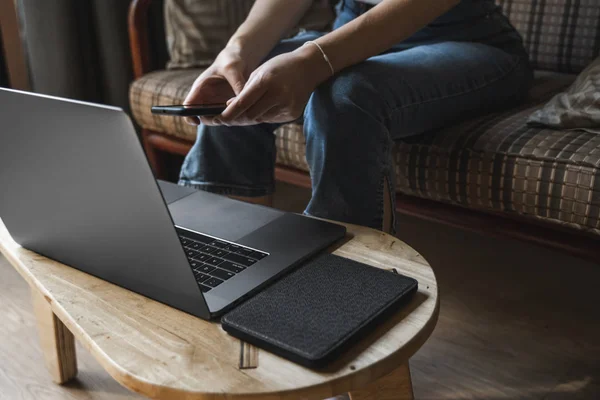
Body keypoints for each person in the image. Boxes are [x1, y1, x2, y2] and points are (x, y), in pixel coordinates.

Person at [179, 0, 532, 233]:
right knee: (240, 86)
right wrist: (236, 54)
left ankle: (341, 285)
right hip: (349, 29)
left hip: (467, 42)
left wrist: (314, 61)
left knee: (346, 95)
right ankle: (219, 250)